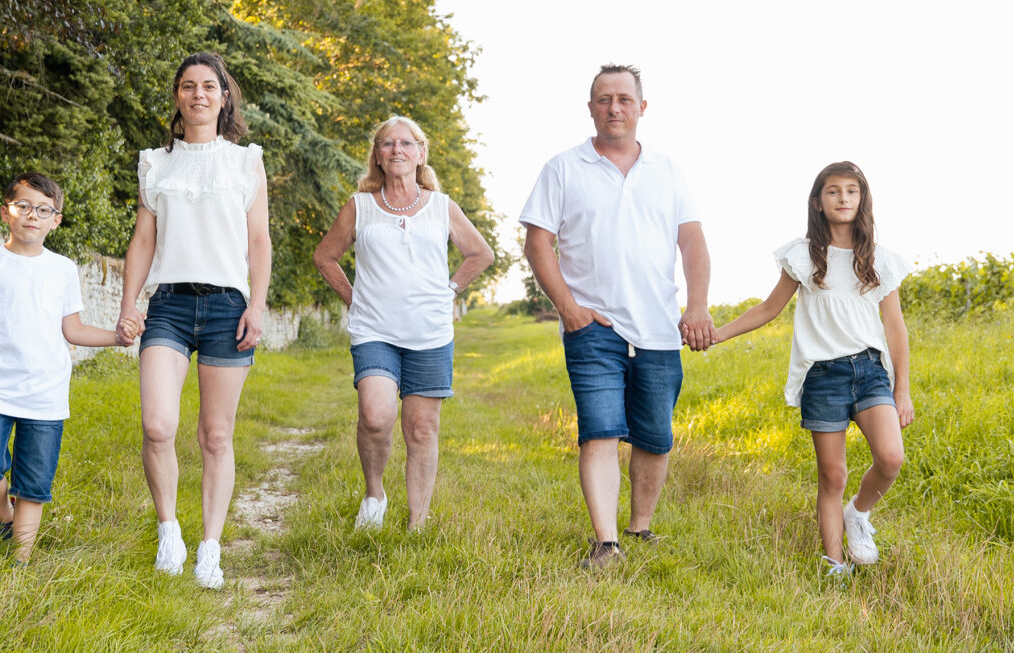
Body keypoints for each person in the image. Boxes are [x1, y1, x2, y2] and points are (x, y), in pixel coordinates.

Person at [518, 64, 713, 569]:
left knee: (654, 434)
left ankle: (640, 527)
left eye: (624, 99)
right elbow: (538, 240)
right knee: (599, 429)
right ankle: (606, 543)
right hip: (593, 326)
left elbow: (691, 240)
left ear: (642, 107)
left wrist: (696, 305)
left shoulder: (667, 171)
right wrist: (568, 308)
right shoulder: (564, 167)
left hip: (657, 327)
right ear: (590, 108)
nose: (614, 108)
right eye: (604, 99)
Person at [709, 161, 916, 576]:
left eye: (852, 191)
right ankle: (835, 564)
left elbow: (895, 327)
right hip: (823, 377)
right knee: (832, 475)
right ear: (818, 202)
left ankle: (858, 514)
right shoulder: (803, 256)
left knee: (891, 458)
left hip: (870, 370)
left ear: (862, 199)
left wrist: (903, 389)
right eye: (834, 191)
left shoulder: (880, 260)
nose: (843, 198)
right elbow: (770, 308)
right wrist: (718, 334)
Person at [115, 52, 272, 589]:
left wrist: (258, 303)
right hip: (170, 307)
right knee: (158, 425)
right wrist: (128, 303)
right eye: (189, 86)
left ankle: (210, 546)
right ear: (178, 96)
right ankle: (168, 531)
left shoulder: (246, 161)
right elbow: (143, 239)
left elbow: (258, 241)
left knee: (215, 434)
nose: (199, 94)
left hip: (229, 306)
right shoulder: (154, 163)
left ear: (225, 97)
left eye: (210, 86)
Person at [310, 115, 496, 531]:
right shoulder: (360, 207)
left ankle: (416, 525)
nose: (397, 150)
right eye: (388, 144)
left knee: (422, 428)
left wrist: (449, 290)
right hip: (374, 330)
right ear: (377, 154)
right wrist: (354, 299)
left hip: (429, 333)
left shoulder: (440, 206)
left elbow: (480, 254)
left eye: (406, 144)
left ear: (421, 153)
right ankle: (374, 495)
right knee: (375, 416)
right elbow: (325, 256)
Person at [0, 172, 130, 566]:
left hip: (46, 395)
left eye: (43, 209)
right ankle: (5, 519)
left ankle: (18, 568)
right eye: (23, 206)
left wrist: (117, 337)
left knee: (33, 485)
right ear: (5, 213)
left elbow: (73, 329)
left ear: (55, 219)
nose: (32, 215)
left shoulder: (63, 270)